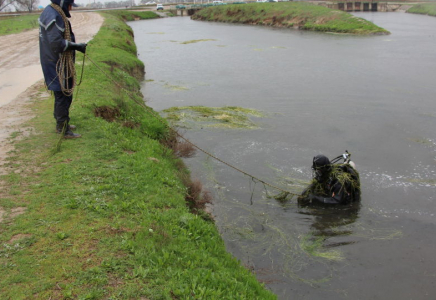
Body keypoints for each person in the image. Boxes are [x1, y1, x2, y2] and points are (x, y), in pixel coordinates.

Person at [39, 0, 87, 138]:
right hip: (55, 62)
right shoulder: (52, 15)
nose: (71, 8)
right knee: (62, 94)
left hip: (55, 61)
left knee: (64, 93)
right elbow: (56, 43)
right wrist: (76, 46)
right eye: (70, 5)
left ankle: (62, 122)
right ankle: (63, 129)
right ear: (64, 3)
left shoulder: (51, 12)